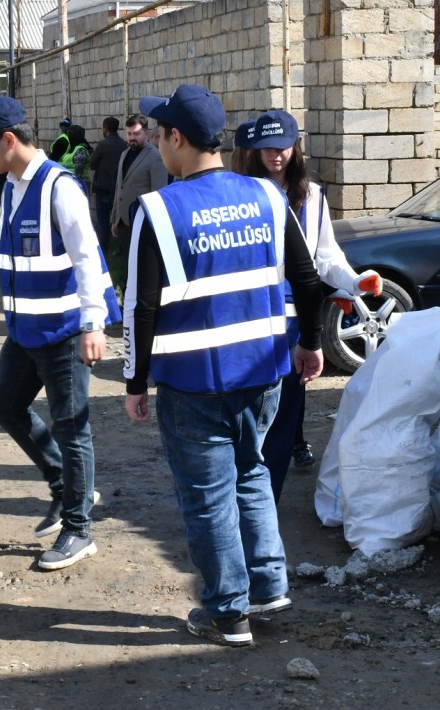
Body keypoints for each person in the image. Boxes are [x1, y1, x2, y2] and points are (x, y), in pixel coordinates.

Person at [123, 84, 325, 647]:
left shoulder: (159, 210)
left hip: (195, 382)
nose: (159, 144)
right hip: (264, 373)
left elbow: (142, 306)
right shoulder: (264, 195)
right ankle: (268, 586)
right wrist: (310, 342)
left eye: (161, 134)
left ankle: (227, 613)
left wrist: (134, 382)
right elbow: (306, 279)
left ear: (176, 139)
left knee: (208, 495)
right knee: (252, 472)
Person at [0, 95, 121, 571]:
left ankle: (79, 529)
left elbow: (89, 257)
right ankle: (64, 485)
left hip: (66, 330)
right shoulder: (9, 185)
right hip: (26, 329)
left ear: (9, 140)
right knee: (4, 406)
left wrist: (94, 323)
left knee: (72, 427)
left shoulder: (59, 187)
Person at [236, 110, 383, 500]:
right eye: (267, 148)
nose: (275, 156)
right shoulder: (242, 191)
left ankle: (268, 499)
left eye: (282, 147)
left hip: (295, 320)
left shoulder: (313, 196)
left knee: (286, 411)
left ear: (296, 147)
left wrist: (353, 281)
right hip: (250, 317)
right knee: (247, 412)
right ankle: (243, 491)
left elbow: (325, 255)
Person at [109, 113, 168, 293]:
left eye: (136, 134)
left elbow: (158, 191)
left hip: (142, 221)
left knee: (142, 265)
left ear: (147, 134)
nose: (132, 138)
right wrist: (115, 218)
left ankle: (140, 295)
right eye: (129, 134)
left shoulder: (155, 156)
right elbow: (120, 186)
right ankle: (129, 294)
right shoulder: (125, 154)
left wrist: (153, 223)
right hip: (124, 220)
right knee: (128, 261)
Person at [88, 116, 126, 255]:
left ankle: (104, 248)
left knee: (103, 221)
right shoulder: (123, 144)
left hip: (103, 187)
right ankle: (122, 248)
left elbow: (92, 163)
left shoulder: (103, 145)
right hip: (117, 188)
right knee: (118, 220)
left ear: (106, 128)